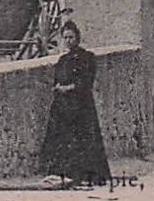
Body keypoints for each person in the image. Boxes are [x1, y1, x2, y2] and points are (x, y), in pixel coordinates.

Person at [40, 20, 112, 186]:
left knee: (83, 140)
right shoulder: (62, 60)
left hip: (81, 106)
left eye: (71, 37)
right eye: (65, 37)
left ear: (77, 38)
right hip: (63, 106)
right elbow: (56, 80)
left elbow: (87, 81)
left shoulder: (87, 57)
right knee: (64, 139)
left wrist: (69, 88)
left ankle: (86, 175)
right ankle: (65, 174)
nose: (68, 41)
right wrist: (59, 88)